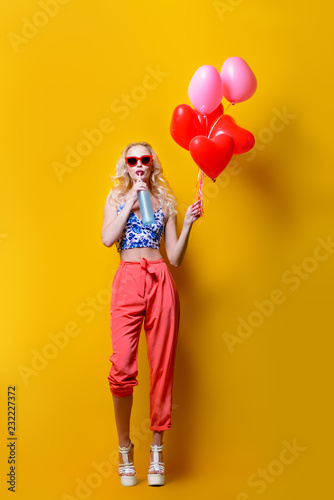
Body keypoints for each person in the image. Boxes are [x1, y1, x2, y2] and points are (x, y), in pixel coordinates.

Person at [101, 141, 201, 487]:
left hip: (160, 278)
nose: (140, 164)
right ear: (126, 164)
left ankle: (157, 450)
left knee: (163, 366)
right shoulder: (115, 198)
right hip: (128, 280)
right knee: (123, 366)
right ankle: (125, 448)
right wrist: (130, 200)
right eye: (133, 160)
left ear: (152, 163)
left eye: (146, 159)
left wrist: (187, 223)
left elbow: (174, 256)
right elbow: (106, 238)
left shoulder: (166, 202)